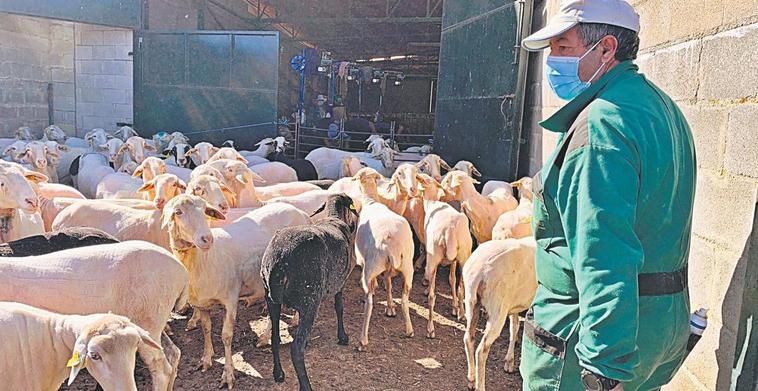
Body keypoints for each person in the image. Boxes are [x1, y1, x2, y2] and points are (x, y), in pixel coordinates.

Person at [519, 1, 696, 390]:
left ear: (606, 49)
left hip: (590, 338)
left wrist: (603, 368)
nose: (552, 60)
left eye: (563, 48)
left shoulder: (601, 126)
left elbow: (604, 253)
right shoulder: (661, 108)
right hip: (656, 326)